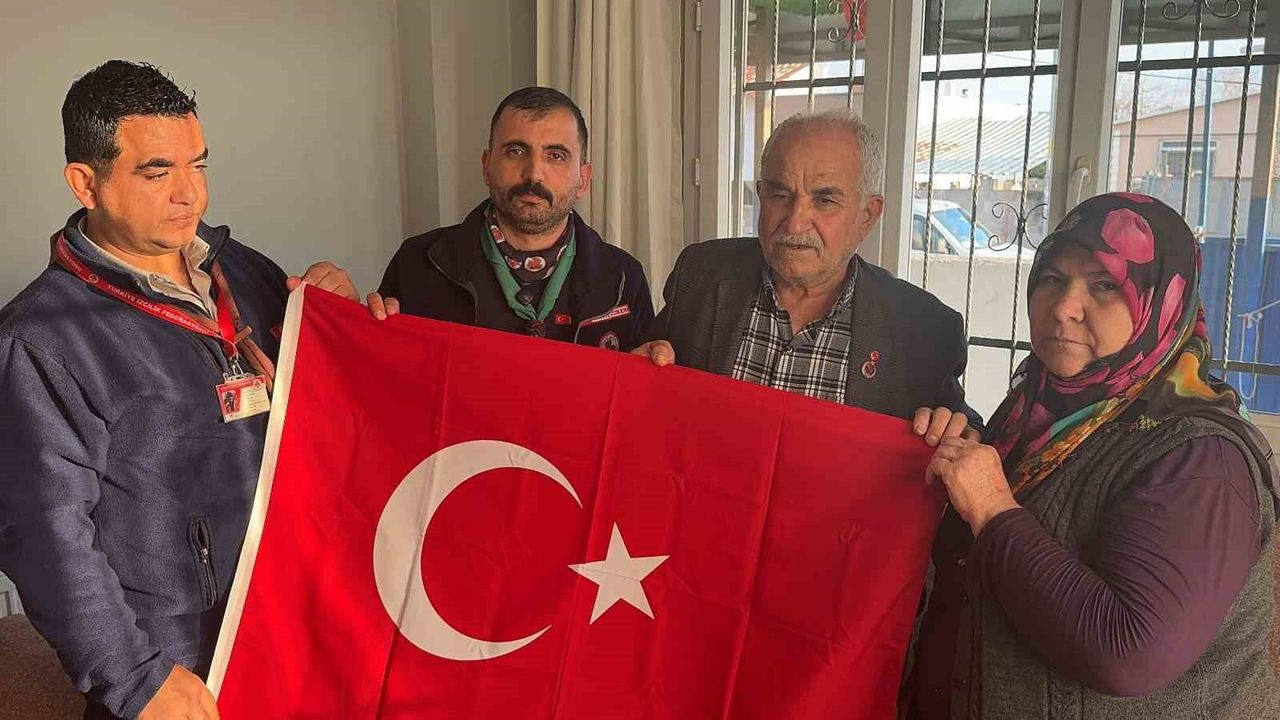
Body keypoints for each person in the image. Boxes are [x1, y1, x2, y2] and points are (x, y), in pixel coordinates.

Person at [0, 60, 376, 720]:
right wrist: (135, 678)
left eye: (197, 165)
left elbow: (321, 416)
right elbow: (45, 532)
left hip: (290, 623)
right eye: (157, 172)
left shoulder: (241, 270)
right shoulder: (40, 339)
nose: (190, 195)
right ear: (86, 182)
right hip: (179, 666)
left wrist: (350, 328)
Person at [907, 193, 1280, 718]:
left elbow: (1128, 653)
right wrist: (956, 453)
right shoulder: (1038, 413)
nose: (1063, 307)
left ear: (1161, 301)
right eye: (1052, 278)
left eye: (1104, 285)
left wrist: (992, 508)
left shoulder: (1201, 459)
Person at [634, 109, 976, 442]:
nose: (795, 223)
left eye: (825, 201)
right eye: (780, 195)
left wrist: (954, 433)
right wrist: (638, 368)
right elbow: (646, 375)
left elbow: (965, 432)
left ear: (867, 216)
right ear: (761, 195)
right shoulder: (702, 273)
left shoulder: (923, 329)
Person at [371, 87, 653, 351]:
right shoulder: (418, 263)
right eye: (515, 151)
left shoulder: (624, 277)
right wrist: (353, 316)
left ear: (584, 178)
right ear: (487, 166)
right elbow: (381, 367)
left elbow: (642, 376)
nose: (534, 174)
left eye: (556, 155)